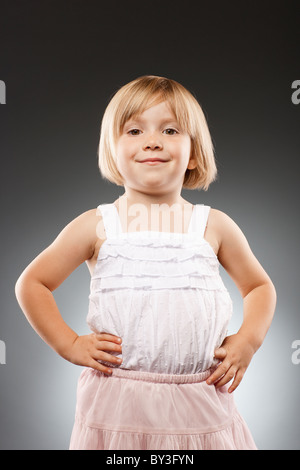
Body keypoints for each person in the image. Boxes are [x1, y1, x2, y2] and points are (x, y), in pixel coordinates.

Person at [15, 75, 277, 450]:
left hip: (200, 402)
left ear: (195, 153)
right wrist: (70, 343)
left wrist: (248, 341)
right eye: (135, 130)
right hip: (117, 404)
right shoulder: (97, 224)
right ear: (113, 150)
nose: (152, 140)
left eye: (170, 129)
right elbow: (32, 283)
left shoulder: (214, 225)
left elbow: (259, 287)